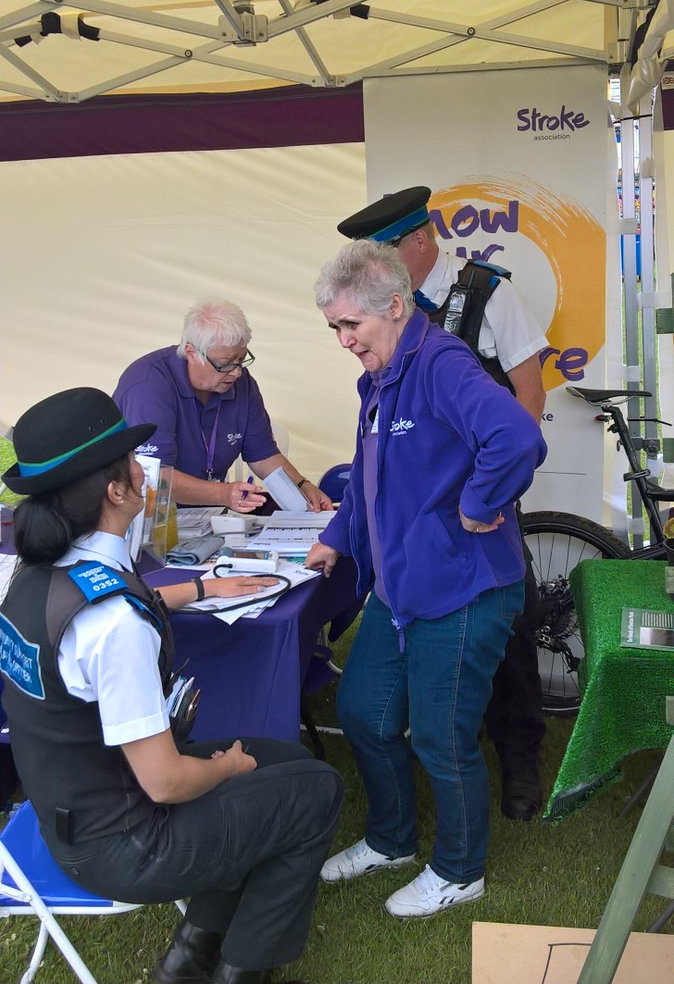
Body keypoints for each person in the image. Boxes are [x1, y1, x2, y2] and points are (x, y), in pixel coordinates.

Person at [0, 388, 343, 984]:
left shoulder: (34, 578)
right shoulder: (116, 626)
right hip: (126, 842)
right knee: (314, 793)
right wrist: (227, 770)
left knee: (283, 760)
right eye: (135, 461)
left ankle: (188, 957)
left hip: (67, 810)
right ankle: (240, 970)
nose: (146, 469)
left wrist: (197, 590)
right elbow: (165, 782)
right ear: (116, 490)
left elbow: (99, 621)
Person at [305, 241, 546, 919]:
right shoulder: (379, 379)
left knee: (442, 735)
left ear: (396, 305)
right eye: (335, 329)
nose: (345, 341)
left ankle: (461, 870)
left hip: (464, 587)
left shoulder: (440, 361)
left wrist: (478, 503)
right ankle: (391, 840)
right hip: (402, 586)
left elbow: (518, 438)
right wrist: (333, 540)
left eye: (352, 325)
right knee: (362, 713)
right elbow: (365, 477)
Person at [337, 187, 548, 821]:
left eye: (389, 254)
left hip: (483, 509)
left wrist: (491, 497)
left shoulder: (488, 294)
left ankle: (518, 761)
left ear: (422, 241)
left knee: (509, 628)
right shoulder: (380, 319)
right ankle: (441, 753)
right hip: (424, 521)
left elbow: (527, 400)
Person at [113, 299, 332, 514]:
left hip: (207, 518)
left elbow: (264, 456)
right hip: (146, 516)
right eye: (225, 363)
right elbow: (153, 477)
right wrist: (223, 494)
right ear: (191, 353)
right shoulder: (148, 385)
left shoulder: (242, 383)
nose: (237, 372)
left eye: (242, 359)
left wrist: (303, 485)